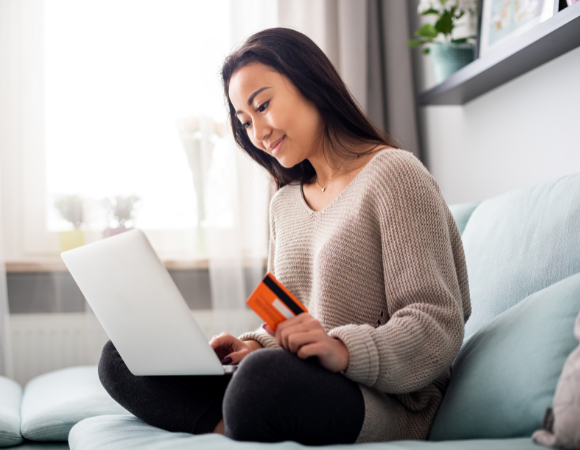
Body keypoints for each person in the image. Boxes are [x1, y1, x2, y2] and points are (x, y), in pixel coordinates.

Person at [98, 27, 471, 445]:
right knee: (123, 358)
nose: (258, 133)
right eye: (245, 121)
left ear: (310, 81)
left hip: (385, 400)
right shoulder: (284, 203)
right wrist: (254, 345)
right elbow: (283, 318)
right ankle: (237, 424)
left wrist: (340, 350)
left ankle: (242, 416)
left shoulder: (395, 175)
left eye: (263, 106)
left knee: (262, 382)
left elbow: (436, 325)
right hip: (296, 381)